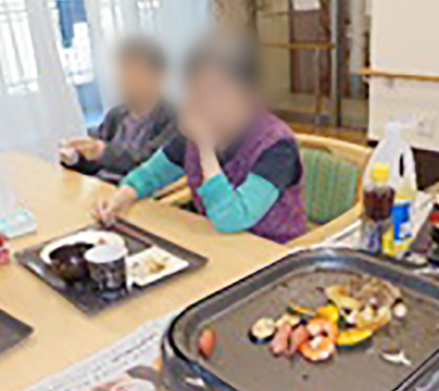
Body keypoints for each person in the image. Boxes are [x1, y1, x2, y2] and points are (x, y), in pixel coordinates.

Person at [93, 34, 308, 244]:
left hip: (274, 252)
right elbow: (150, 175)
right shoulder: (193, 136)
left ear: (248, 94)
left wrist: (205, 146)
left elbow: (232, 218)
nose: (198, 102)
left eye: (213, 91)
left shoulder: (277, 147)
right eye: (193, 89)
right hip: (217, 244)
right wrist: (123, 195)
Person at [59, 36, 176, 183]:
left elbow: (152, 166)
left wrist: (102, 151)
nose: (123, 79)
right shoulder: (116, 115)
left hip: (136, 192)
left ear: (158, 78)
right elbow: (96, 164)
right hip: (103, 189)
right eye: (121, 71)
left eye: (133, 72)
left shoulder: (174, 119)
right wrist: (76, 158)